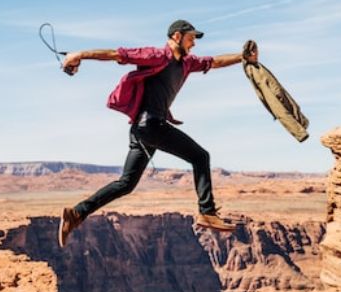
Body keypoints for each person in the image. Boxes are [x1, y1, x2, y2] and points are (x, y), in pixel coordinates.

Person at [58, 19, 258, 247]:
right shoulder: (156, 56)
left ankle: (75, 214)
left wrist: (243, 57)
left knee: (126, 184)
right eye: (191, 38)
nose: (193, 44)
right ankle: (207, 211)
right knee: (200, 157)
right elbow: (116, 54)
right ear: (176, 36)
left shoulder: (186, 63)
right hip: (151, 125)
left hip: (142, 131)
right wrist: (79, 54)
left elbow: (214, 61)